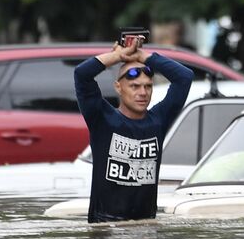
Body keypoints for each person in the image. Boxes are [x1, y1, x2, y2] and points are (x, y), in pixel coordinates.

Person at [74, 34, 194, 222]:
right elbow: (82, 74)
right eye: (135, 86)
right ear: (118, 87)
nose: (142, 93)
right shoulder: (103, 118)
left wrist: (143, 56)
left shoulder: (159, 120)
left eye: (147, 86)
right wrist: (118, 56)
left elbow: (184, 78)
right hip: (106, 226)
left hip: (145, 225)